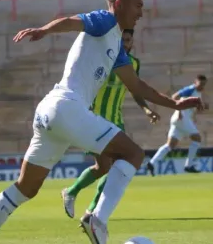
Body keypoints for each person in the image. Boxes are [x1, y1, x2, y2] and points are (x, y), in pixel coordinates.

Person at [0, 0, 202, 244]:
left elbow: (136, 85)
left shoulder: (117, 43)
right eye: (138, 6)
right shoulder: (106, 20)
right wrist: (45, 30)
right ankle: (97, 220)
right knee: (132, 154)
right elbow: (73, 21)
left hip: (50, 111)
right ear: (119, 4)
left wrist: (175, 104)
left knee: (25, 188)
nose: (141, 13)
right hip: (66, 107)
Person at [61, 28, 160, 220]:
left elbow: (135, 90)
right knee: (104, 167)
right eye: (122, 39)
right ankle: (73, 193)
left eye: (128, 40)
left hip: (116, 120)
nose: (125, 43)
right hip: (95, 120)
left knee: (112, 166)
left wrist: (146, 109)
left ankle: (89, 208)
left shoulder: (134, 64)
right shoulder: (102, 59)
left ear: (132, 43)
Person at [147, 75, 208, 174]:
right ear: (195, 82)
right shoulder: (190, 89)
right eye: (201, 84)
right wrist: (179, 110)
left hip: (178, 119)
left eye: (204, 84)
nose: (202, 86)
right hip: (182, 117)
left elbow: (191, 105)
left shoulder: (198, 92)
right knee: (197, 139)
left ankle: (151, 163)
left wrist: (203, 106)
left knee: (170, 145)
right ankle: (189, 165)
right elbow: (175, 96)